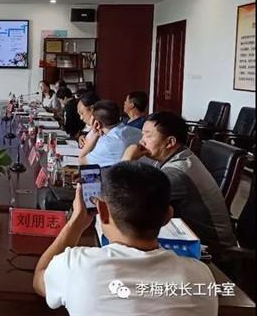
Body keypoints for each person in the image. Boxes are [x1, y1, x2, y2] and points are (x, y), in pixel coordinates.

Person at [33, 161, 217, 316]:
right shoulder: (201, 276)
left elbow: (40, 279)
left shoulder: (76, 265)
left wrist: (76, 223)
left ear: (102, 211)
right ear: (168, 216)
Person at [122, 112, 236, 250]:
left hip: (212, 250)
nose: (142, 141)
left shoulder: (177, 173)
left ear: (170, 142)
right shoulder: (175, 156)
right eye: (142, 135)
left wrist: (126, 161)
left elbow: (129, 204)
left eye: (148, 136)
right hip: (185, 234)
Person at [79, 100, 141, 167]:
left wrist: (95, 135)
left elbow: (81, 160)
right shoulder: (137, 131)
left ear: (96, 123)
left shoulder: (107, 144)